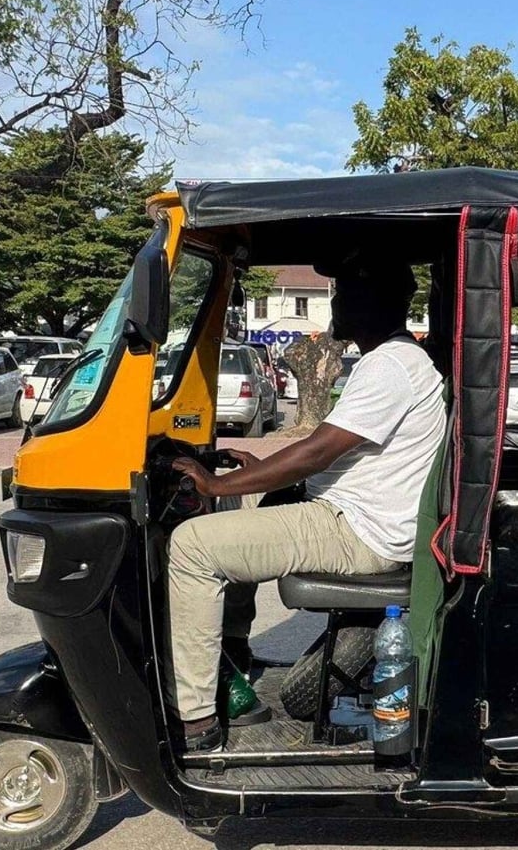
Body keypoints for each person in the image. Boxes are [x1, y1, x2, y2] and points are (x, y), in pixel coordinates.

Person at [166, 252, 446, 752]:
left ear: (373, 300)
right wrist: (253, 477)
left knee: (192, 546)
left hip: (358, 530)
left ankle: (197, 720)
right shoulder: (393, 360)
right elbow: (331, 453)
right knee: (237, 512)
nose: (335, 303)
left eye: (344, 292)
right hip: (355, 515)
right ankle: (230, 658)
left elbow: (316, 452)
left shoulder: (391, 365)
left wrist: (216, 484)